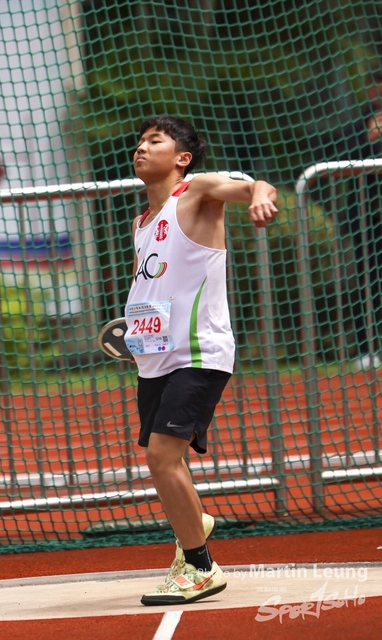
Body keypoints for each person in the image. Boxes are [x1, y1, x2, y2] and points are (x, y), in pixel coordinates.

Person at [124, 115, 277, 605]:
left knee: (161, 457)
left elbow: (251, 185)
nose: (141, 148)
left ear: (182, 158)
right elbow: (148, 288)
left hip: (199, 351)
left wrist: (260, 197)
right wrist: (132, 332)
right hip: (155, 358)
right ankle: (195, 524)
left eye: (155, 141)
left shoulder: (196, 193)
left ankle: (200, 567)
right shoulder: (141, 223)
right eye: (139, 142)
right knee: (164, 462)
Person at [332, 72, 382, 370]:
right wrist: (369, 137)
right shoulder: (361, 121)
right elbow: (340, 161)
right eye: (374, 87)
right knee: (368, 280)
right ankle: (367, 348)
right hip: (365, 217)